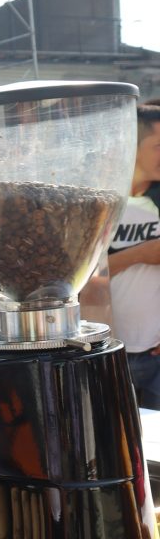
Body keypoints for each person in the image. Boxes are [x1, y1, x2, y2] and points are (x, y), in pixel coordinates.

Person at [107, 103, 160, 408]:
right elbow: (77, 278)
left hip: (154, 356)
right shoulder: (99, 205)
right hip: (107, 354)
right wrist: (140, 254)